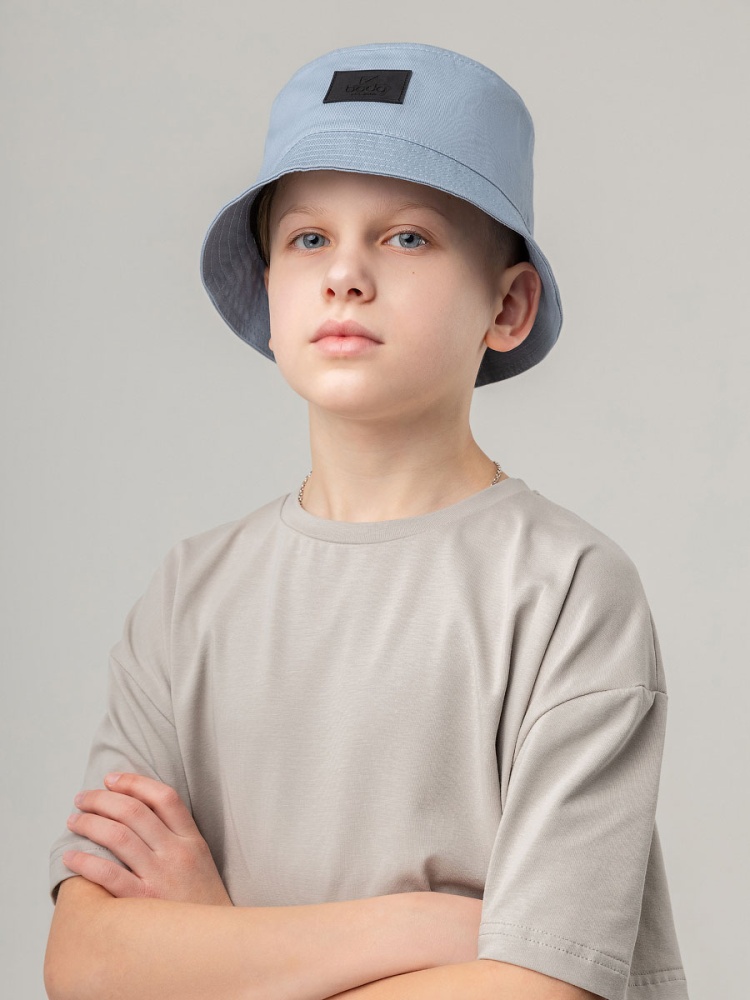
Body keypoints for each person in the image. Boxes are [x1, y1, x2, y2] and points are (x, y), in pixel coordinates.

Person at [44, 42, 690, 1000]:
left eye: (407, 238)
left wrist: (216, 949)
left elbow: (539, 989)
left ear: (508, 304)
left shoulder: (566, 589)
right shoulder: (190, 596)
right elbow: (86, 964)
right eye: (308, 239)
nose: (345, 274)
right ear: (268, 289)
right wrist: (435, 928)